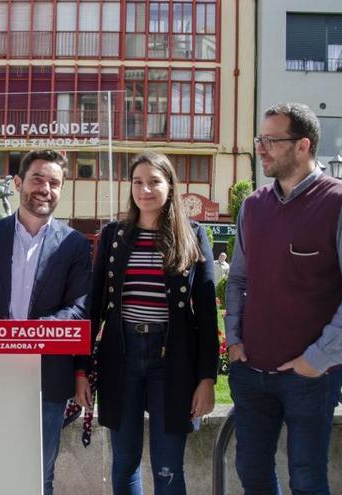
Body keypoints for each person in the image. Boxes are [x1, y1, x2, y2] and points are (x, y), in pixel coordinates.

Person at [225, 102, 342, 494]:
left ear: (303, 145)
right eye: (260, 139)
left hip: (310, 377)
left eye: (271, 140)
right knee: (252, 473)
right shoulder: (252, 206)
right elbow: (238, 279)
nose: (260, 148)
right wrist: (235, 341)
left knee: (309, 479)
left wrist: (317, 359)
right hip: (251, 371)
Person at [0, 149, 91, 495]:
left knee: (37, 476)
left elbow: (79, 308)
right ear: (18, 183)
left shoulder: (74, 244)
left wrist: (28, 337)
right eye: (38, 179)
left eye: (54, 183)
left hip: (47, 379)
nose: (45, 188)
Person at [87, 151, 218, 495]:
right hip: (122, 357)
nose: (145, 190)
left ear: (170, 186)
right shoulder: (114, 236)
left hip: (172, 361)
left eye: (154, 181)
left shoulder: (193, 234)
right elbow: (94, 307)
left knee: (168, 466)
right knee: (125, 461)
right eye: (137, 182)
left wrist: (207, 378)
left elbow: (206, 314)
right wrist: (81, 369)